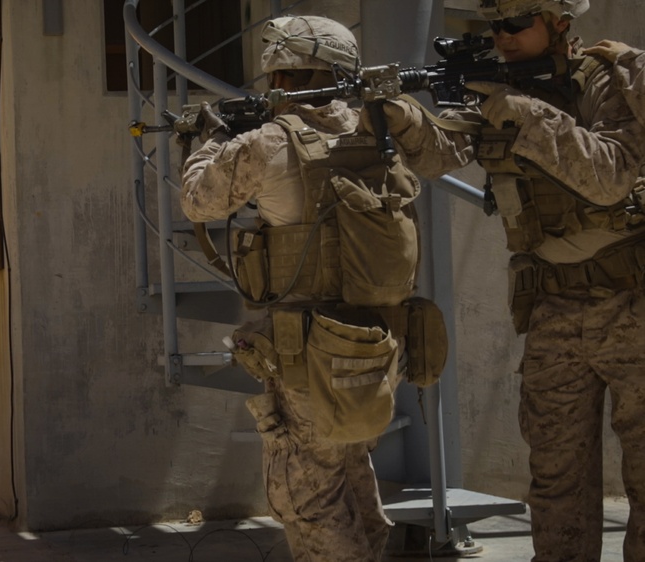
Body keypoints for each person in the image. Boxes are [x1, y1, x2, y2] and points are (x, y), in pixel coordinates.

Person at [365, 1, 645, 559]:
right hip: (553, 306)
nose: (503, 37)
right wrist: (402, 114)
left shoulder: (609, 80)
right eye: (495, 26)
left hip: (632, 302)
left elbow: (611, 176)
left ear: (559, 22)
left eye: (517, 23)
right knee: (557, 478)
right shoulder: (497, 87)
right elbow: (440, 153)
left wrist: (526, 113)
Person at [180, 15, 443, 562]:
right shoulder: (377, 130)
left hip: (307, 356)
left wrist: (211, 141)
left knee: (307, 500)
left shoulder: (270, 141)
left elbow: (199, 200)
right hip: (378, 344)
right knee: (351, 472)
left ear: (280, 77)